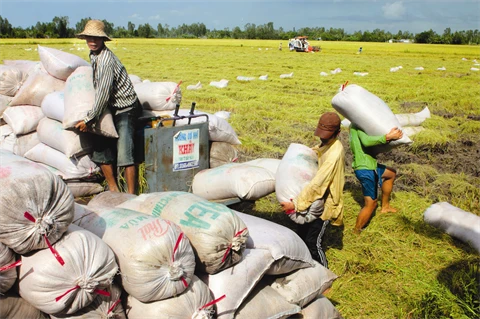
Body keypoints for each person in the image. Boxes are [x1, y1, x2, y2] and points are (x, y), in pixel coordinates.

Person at [74, 20, 141, 194]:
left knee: (125, 151)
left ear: (103, 39)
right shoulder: (93, 55)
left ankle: (131, 195)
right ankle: (113, 190)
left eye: (96, 38)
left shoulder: (105, 60)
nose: (93, 41)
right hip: (110, 107)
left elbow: (103, 94)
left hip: (126, 107)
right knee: (100, 144)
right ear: (86, 38)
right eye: (89, 37)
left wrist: (88, 119)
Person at [280, 112, 345, 268]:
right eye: (321, 134)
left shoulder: (335, 153)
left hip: (325, 204)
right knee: (301, 233)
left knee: (313, 242)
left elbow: (318, 183)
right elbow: (317, 151)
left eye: (327, 135)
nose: (322, 138)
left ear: (338, 133)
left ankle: (324, 274)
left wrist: (296, 204)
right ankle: (305, 266)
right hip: (313, 199)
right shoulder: (325, 144)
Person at [349, 125, 403, 234]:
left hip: (370, 165)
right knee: (371, 203)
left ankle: (385, 207)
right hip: (366, 168)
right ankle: (356, 232)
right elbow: (366, 141)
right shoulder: (358, 125)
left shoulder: (358, 123)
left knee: (391, 173)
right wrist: (387, 137)